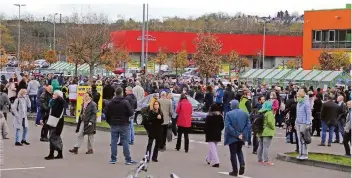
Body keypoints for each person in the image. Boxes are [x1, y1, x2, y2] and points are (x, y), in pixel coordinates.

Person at [105, 87, 137, 165]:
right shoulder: (125, 102)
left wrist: (110, 122)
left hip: (114, 124)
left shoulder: (110, 103)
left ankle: (113, 158)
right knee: (125, 141)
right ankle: (127, 159)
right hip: (124, 124)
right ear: (122, 93)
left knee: (113, 141)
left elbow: (106, 114)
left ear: (115, 93)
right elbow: (131, 113)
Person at [224, 100, 249, 176]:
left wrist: (237, 134)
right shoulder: (245, 113)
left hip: (232, 137)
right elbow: (248, 125)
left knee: (233, 153)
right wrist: (242, 134)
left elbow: (228, 127)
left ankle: (235, 171)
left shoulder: (228, 114)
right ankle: (242, 163)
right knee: (239, 151)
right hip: (241, 137)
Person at [44, 90, 65, 160]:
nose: (53, 95)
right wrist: (44, 118)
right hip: (52, 122)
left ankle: (56, 153)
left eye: (54, 94)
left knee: (53, 138)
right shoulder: (54, 102)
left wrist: (59, 97)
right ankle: (55, 153)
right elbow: (50, 112)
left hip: (57, 123)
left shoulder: (60, 102)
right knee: (54, 138)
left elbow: (55, 111)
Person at [257, 100, 275, 165]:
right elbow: (270, 122)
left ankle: (259, 159)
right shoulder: (269, 113)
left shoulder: (260, 112)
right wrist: (273, 127)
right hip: (267, 131)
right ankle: (266, 160)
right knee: (266, 147)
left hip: (260, 131)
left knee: (260, 146)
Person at [295, 89, 311, 160]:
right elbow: (297, 113)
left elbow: (308, 114)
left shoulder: (306, 103)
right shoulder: (298, 103)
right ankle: (300, 153)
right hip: (298, 123)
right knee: (299, 139)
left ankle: (305, 154)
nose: (297, 97)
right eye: (297, 95)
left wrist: (308, 123)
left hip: (303, 123)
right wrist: (296, 122)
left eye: (298, 95)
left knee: (303, 139)